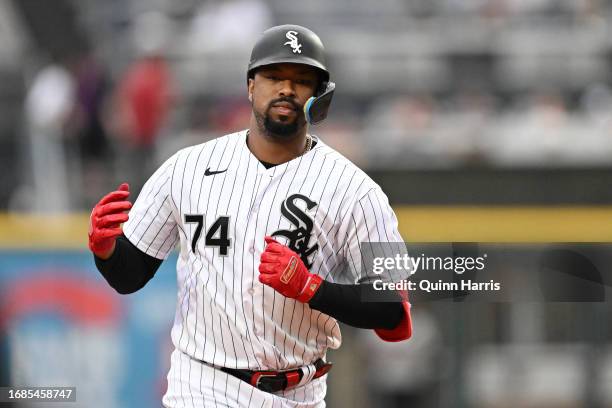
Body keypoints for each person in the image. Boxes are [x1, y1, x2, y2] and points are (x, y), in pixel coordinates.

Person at [89, 24, 412, 407]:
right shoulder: (186, 168)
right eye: (274, 76)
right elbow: (130, 275)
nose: (287, 89)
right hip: (202, 384)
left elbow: (394, 313)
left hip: (301, 393)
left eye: (302, 79)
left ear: (319, 96)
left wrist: (311, 288)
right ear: (250, 86)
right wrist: (106, 249)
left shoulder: (357, 191)